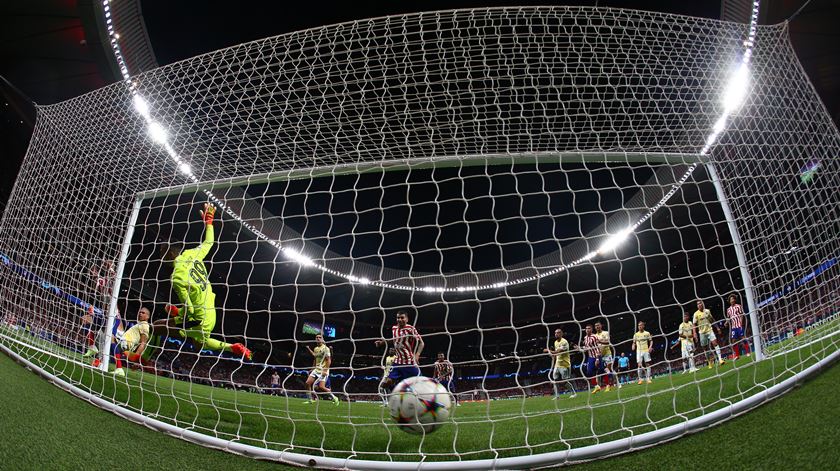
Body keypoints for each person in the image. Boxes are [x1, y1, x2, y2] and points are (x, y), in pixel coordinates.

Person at [155, 203, 251, 360]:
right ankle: (231, 347)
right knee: (200, 344)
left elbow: (190, 310)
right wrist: (209, 223)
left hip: (197, 317)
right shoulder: (192, 254)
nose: (159, 253)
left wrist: (177, 311)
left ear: (171, 252)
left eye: (161, 250)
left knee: (156, 326)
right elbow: (209, 242)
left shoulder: (177, 276)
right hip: (211, 313)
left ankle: (142, 357)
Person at [375, 310, 424, 390]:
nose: (400, 319)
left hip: (409, 362)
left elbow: (421, 343)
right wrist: (382, 343)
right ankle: (394, 395)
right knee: (387, 382)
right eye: (398, 318)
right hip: (397, 362)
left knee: (420, 384)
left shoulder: (411, 329)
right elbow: (395, 339)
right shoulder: (394, 328)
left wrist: (417, 355)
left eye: (402, 318)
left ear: (407, 319)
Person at [115, 306, 152, 377]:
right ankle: (117, 368)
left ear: (148, 317)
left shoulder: (145, 326)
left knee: (109, 333)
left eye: (143, 313)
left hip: (126, 342)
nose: (140, 314)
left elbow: (143, 343)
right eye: (140, 312)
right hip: (124, 340)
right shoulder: (140, 324)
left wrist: (136, 359)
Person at [303, 334, 339, 405]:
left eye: (320, 337)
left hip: (323, 370)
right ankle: (310, 399)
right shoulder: (315, 348)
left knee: (321, 387)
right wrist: (312, 368)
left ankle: (335, 397)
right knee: (307, 383)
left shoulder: (326, 348)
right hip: (316, 369)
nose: (318, 338)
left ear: (322, 339)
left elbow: (329, 360)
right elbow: (315, 359)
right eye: (317, 337)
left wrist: (325, 370)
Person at [543, 328, 577, 399]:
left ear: (561, 334)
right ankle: (557, 396)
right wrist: (553, 358)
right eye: (555, 333)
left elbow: (557, 352)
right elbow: (556, 354)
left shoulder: (564, 342)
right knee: (555, 380)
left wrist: (548, 350)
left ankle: (573, 393)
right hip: (557, 364)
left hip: (565, 364)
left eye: (558, 333)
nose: (556, 334)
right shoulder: (555, 342)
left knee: (565, 381)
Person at [693, 299, 724, 368]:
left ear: (703, 304)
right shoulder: (696, 314)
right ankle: (709, 362)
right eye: (698, 304)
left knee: (715, 343)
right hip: (702, 333)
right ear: (697, 306)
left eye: (700, 303)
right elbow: (694, 324)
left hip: (710, 330)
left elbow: (712, 320)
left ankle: (720, 359)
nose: (699, 305)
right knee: (705, 348)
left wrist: (717, 328)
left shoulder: (707, 311)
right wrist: (694, 333)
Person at [725, 294, 751, 360]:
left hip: (739, 325)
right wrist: (726, 323)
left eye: (733, 299)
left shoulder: (739, 306)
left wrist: (741, 322)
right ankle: (737, 355)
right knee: (734, 341)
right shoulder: (728, 310)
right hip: (733, 327)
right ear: (729, 301)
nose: (732, 300)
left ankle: (748, 352)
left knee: (743, 338)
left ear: (735, 300)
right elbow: (728, 318)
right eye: (731, 299)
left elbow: (742, 314)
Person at [594, 322, 616, 392]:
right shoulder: (594, 336)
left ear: (601, 326)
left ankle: (617, 382)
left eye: (598, 325)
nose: (597, 327)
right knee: (605, 370)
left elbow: (608, 342)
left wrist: (600, 341)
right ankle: (608, 385)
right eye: (596, 326)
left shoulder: (605, 333)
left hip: (607, 354)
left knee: (610, 369)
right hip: (600, 356)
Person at [581, 324, 601, 393]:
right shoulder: (585, 338)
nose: (587, 330)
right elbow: (586, 348)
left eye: (589, 328)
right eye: (586, 328)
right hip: (590, 357)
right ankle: (596, 386)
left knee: (602, 370)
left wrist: (597, 359)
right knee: (589, 372)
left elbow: (597, 347)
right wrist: (579, 348)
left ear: (592, 329)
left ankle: (615, 382)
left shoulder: (594, 336)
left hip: (596, 356)